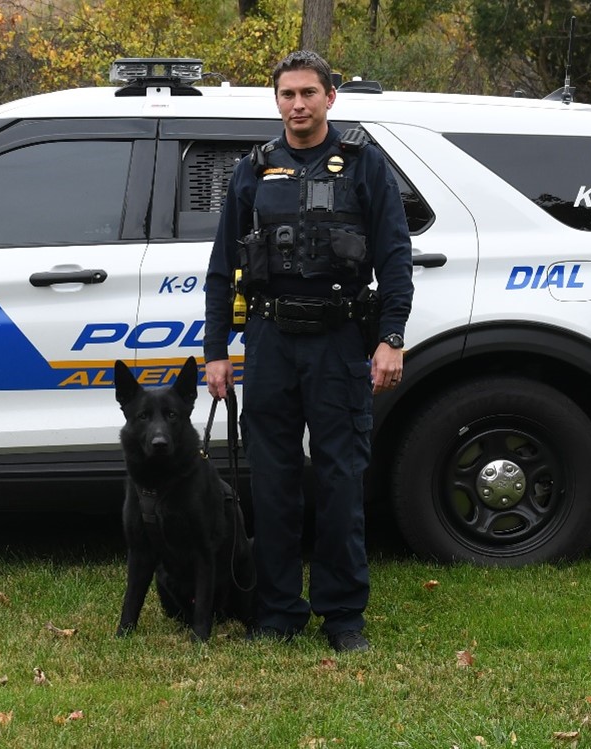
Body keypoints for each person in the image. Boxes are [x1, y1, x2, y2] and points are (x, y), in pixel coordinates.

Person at [203, 50, 413, 653]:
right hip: (269, 342)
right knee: (272, 483)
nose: (298, 105)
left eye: (308, 94)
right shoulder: (252, 170)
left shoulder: (366, 167)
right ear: (277, 102)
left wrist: (390, 337)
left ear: (330, 97)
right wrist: (217, 350)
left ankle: (344, 617)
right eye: (288, 95)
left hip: (341, 342)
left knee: (341, 480)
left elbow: (395, 260)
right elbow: (224, 268)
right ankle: (276, 614)